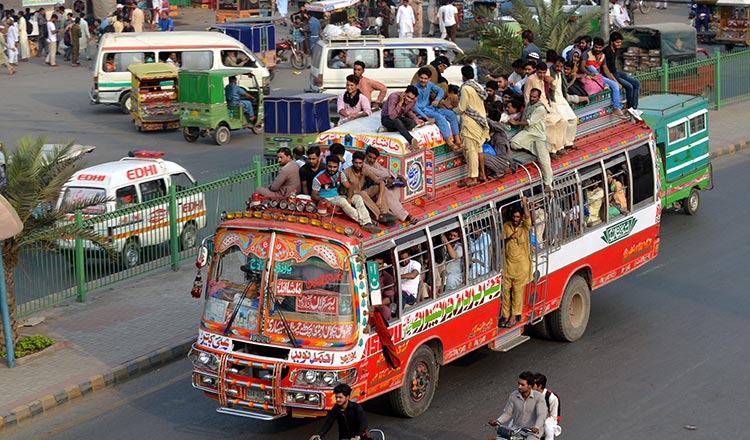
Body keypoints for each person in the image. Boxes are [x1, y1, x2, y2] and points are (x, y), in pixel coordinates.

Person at [311, 155, 381, 234]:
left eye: (334, 167)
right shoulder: (318, 178)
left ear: (338, 166)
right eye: (330, 167)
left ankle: (367, 222)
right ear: (326, 165)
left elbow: (349, 187)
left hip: (337, 197)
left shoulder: (340, 174)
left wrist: (349, 198)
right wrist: (324, 200)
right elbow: (314, 195)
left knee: (357, 197)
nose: (332, 169)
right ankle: (366, 222)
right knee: (342, 201)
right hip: (327, 199)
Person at [364, 146, 420, 225]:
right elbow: (380, 173)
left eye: (374, 158)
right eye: (370, 157)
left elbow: (385, 171)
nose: (372, 160)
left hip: (379, 186)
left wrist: (397, 177)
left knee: (396, 186)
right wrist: (392, 176)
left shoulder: (374, 164)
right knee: (385, 191)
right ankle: (407, 216)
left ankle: (395, 210)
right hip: (369, 190)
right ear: (365, 155)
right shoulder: (363, 165)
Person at [509, 89, 553, 191]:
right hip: (528, 132)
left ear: (538, 97)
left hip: (538, 135)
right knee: (514, 144)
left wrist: (516, 124)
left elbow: (529, 122)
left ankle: (548, 184)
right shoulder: (529, 104)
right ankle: (531, 148)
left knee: (544, 160)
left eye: (534, 97)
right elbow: (524, 115)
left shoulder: (540, 108)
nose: (532, 99)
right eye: (531, 96)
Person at [455, 65, 490, 187]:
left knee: (471, 150)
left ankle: (473, 177)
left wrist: (451, 110)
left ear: (463, 75)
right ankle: (482, 174)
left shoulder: (465, 89)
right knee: (478, 149)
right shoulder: (479, 86)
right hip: (481, 122)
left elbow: (462, 108)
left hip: (470, 122)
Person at [501, 197, 532, 328]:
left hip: (521, 266)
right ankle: (505, 315)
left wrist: (524, 203)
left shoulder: (524, 227)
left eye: (518, 217)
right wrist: (509, 238)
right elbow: (502, 242)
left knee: (517, 292)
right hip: (508, 266)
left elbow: (528, 216)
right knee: (506, 292)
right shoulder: (506, 226)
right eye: (514, 216)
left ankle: (514, 316)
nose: (515, 219)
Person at [413, 66, 461, 151]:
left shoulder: (430, 85)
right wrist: (426, 117)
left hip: (430, 108)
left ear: (429, 79)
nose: (423, 80)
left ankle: (458, 140)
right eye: (421, 78)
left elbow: (441, 91)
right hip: (422, 111)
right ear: (418, 77)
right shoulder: (414, 88)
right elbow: (414, 106)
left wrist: (437, 100)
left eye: (425, 78)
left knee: (451, 114)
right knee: (439, 117)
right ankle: (449, 143)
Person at [489, 371, 546, 440]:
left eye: (522, 385)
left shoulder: (539, 397)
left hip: (532, 432)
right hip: (516, 430)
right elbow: (507, 414)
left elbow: (541, 416)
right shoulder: (513, 395)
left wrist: (536, 427)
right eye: (518, 383)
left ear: (530, 386)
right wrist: (497, 421)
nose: (519, 387)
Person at [580, 37, 628, 119]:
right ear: (593, 46)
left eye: (600, 48)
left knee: (615, 85)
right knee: (591, 67)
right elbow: (582, 67)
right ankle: (604, 84)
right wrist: (590, 73)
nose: (598, 49)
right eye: (596, 47)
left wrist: (615, 81)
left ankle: (616, 108)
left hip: (599, 76)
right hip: (589, 76)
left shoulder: (602, 55)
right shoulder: (587, 53)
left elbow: (606, 70)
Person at [345, 151, 397, 225]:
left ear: (363, 163)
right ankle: (379, 215)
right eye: (356, 163)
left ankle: (385, 212)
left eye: (360, 163)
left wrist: (379, 199)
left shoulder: (364, 170)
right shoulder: (346, 172)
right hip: (352, 196)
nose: (358, 165)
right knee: (362, 194)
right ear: (352, 162)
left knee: (379, 187)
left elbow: (380, 182)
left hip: (362, 193)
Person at [380, 85, 423, 151]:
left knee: (412, 123)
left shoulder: (414, 100)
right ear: (404, 94)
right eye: (408, 97)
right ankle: (411, 140)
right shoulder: (394, 96)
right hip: (387, 118)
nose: (409, 100)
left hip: (399, 117)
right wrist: (400, 102)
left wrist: (415, 119)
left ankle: (389, 129)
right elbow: (392, 116)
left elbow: (409, 111)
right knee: (397, 122)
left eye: (411, 98)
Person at [605, 31, 641, 110]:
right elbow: (606, 69)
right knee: (629, 86)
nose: (619, 44)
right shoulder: (607, 51)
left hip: (616, 73)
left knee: (637, 83)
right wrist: (616, 82)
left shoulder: (615, 49)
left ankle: (635, 107)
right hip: (611, 75)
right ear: (611, 42)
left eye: (620, 42)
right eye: (617, 42)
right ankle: (630, 107)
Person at [550, 56, 579, 150]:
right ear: (553, 64)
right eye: (557, 66)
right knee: (564, 121)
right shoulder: (549, 73)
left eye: (560, 66)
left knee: (573, 119)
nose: (558, 68)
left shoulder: (560, 73)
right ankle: (561, 145)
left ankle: (569, 143)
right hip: (554, 100)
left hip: (562, 99)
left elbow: (564, 88)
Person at [532, 373, 561, 440]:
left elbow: (554, 417)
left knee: (548, 426)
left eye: (533, 385)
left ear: (539, 386)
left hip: (547, 422)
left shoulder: (551, 398)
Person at [372, 254, 397, 321]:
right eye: (375, 264)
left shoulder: (387, 277)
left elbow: (389, 298)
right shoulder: (364, 275)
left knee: (385, 311)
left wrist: (376, 305)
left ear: (383, 265)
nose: (377, 266)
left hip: (379, 304)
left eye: (379, 264)